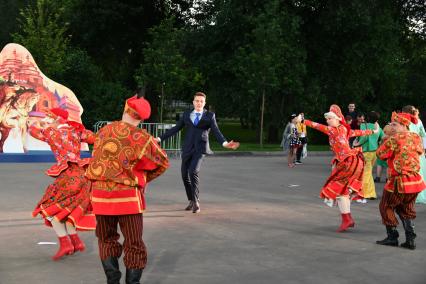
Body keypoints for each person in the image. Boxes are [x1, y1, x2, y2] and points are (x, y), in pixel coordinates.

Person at [86, 94, 169, 284]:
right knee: (134, 243)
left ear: (125, 110)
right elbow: (162, 162)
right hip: (127, 199)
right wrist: (143, 179)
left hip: (100, 196)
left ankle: (112, 281)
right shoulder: (142, 138)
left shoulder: (104, 131)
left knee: (106, 240)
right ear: (141, 119)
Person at [29, 108, 96, 261]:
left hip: (69, 176)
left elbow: (33, 131)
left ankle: (65, 244)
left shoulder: (52, 132)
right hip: (83, 175)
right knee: (67, 211)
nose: (47, 119)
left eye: (49, 117)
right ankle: (76, 242)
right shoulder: (77, 131)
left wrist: (37, 123)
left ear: (57, 118)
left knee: (48, 209)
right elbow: (95, 138)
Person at [156, 92, 239, 213]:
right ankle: (191, 200)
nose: (199, 103)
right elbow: (175, 129)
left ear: (204, 103)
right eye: (197, 101)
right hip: (187, 149)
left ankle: (196, 202)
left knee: (192, 171)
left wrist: (225, 143)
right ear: (193, 102)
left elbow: (216, 131)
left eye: (201, 101)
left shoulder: (210, 116)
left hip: (200, 150)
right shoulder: (186, 114)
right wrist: (159, 139)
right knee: (185, 175)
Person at [304, 104, 378, 232]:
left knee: (338, 192)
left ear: (338, 118)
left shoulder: (334, 130)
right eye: (327, 119)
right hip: (352, 162)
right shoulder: (345, 129)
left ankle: (347, 219)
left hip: (347, 162)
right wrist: (373, 131)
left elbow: (316, 126)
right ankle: (347, 219)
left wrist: (302, 121)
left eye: (330, 118)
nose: (328, 121)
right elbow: (357, 132)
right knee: (342, 193)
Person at [376, 112, 425, 250]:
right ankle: (410, 240)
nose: (391, 126)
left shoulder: (394, 139)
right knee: (406, 209)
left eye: (394, 124)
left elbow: (380, 154)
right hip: (415, 182)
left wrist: (385, 139)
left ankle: (392, 237)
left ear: (404, 125)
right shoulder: (415, 137)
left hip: (399, 182)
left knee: (385, 206)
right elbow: (420, 152)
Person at [353, 111, 384, 202]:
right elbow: (383, 138)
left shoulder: (363, 126)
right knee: (368, 172)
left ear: (367, 118)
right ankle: (371, 193)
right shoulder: (378, 127)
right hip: (375, 152)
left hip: (365, 151)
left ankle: (366, 193)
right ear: (377, 119)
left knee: (365, 172)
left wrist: (357, 144)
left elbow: (363, 137)